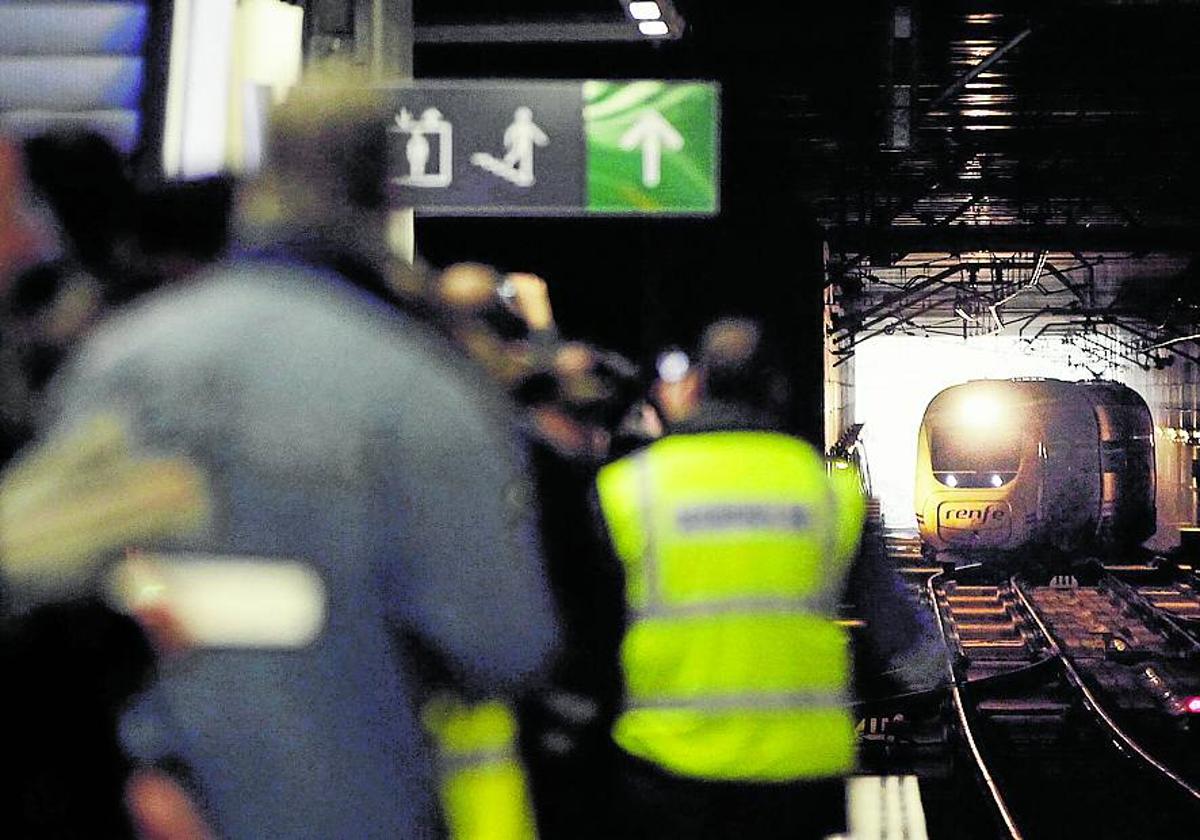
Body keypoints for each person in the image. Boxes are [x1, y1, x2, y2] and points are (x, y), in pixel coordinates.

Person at [0, 69, 558, 840]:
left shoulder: (116, 365)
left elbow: (36, 592)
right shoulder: (423, 394)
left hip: (147, 811)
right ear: (386, 191)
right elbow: (504, 645)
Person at [594, 317, 941, 839]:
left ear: (695, 387)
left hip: (671, 770)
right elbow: (910, 648)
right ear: (777, 390)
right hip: (800, 776)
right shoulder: (828, 494)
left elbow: (579, 633)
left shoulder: (629, 488)